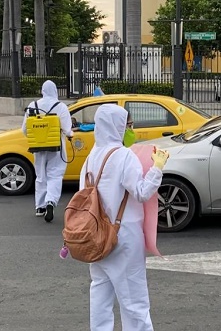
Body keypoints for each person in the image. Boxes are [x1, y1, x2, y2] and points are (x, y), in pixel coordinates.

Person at [83, 104, 169, 331]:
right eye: (128, 125)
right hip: (124, 236)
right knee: (134, 300)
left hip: (96, 236)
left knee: (100, 293)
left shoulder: (91, 156)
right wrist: (157, 167)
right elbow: (141, 192)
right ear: (118, 126)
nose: (130, 130)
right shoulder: (124, 156)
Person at [22, 80, 73, 222]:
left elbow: (25, 130)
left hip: (38, 147)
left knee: (40, 175)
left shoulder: (33, 106)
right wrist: (69, 135)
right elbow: (68, 130)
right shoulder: (61, 107)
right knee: (55, 175)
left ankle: (40, 207)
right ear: (55, 91)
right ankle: (51, 201)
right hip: (56, 147)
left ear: (42, 91)